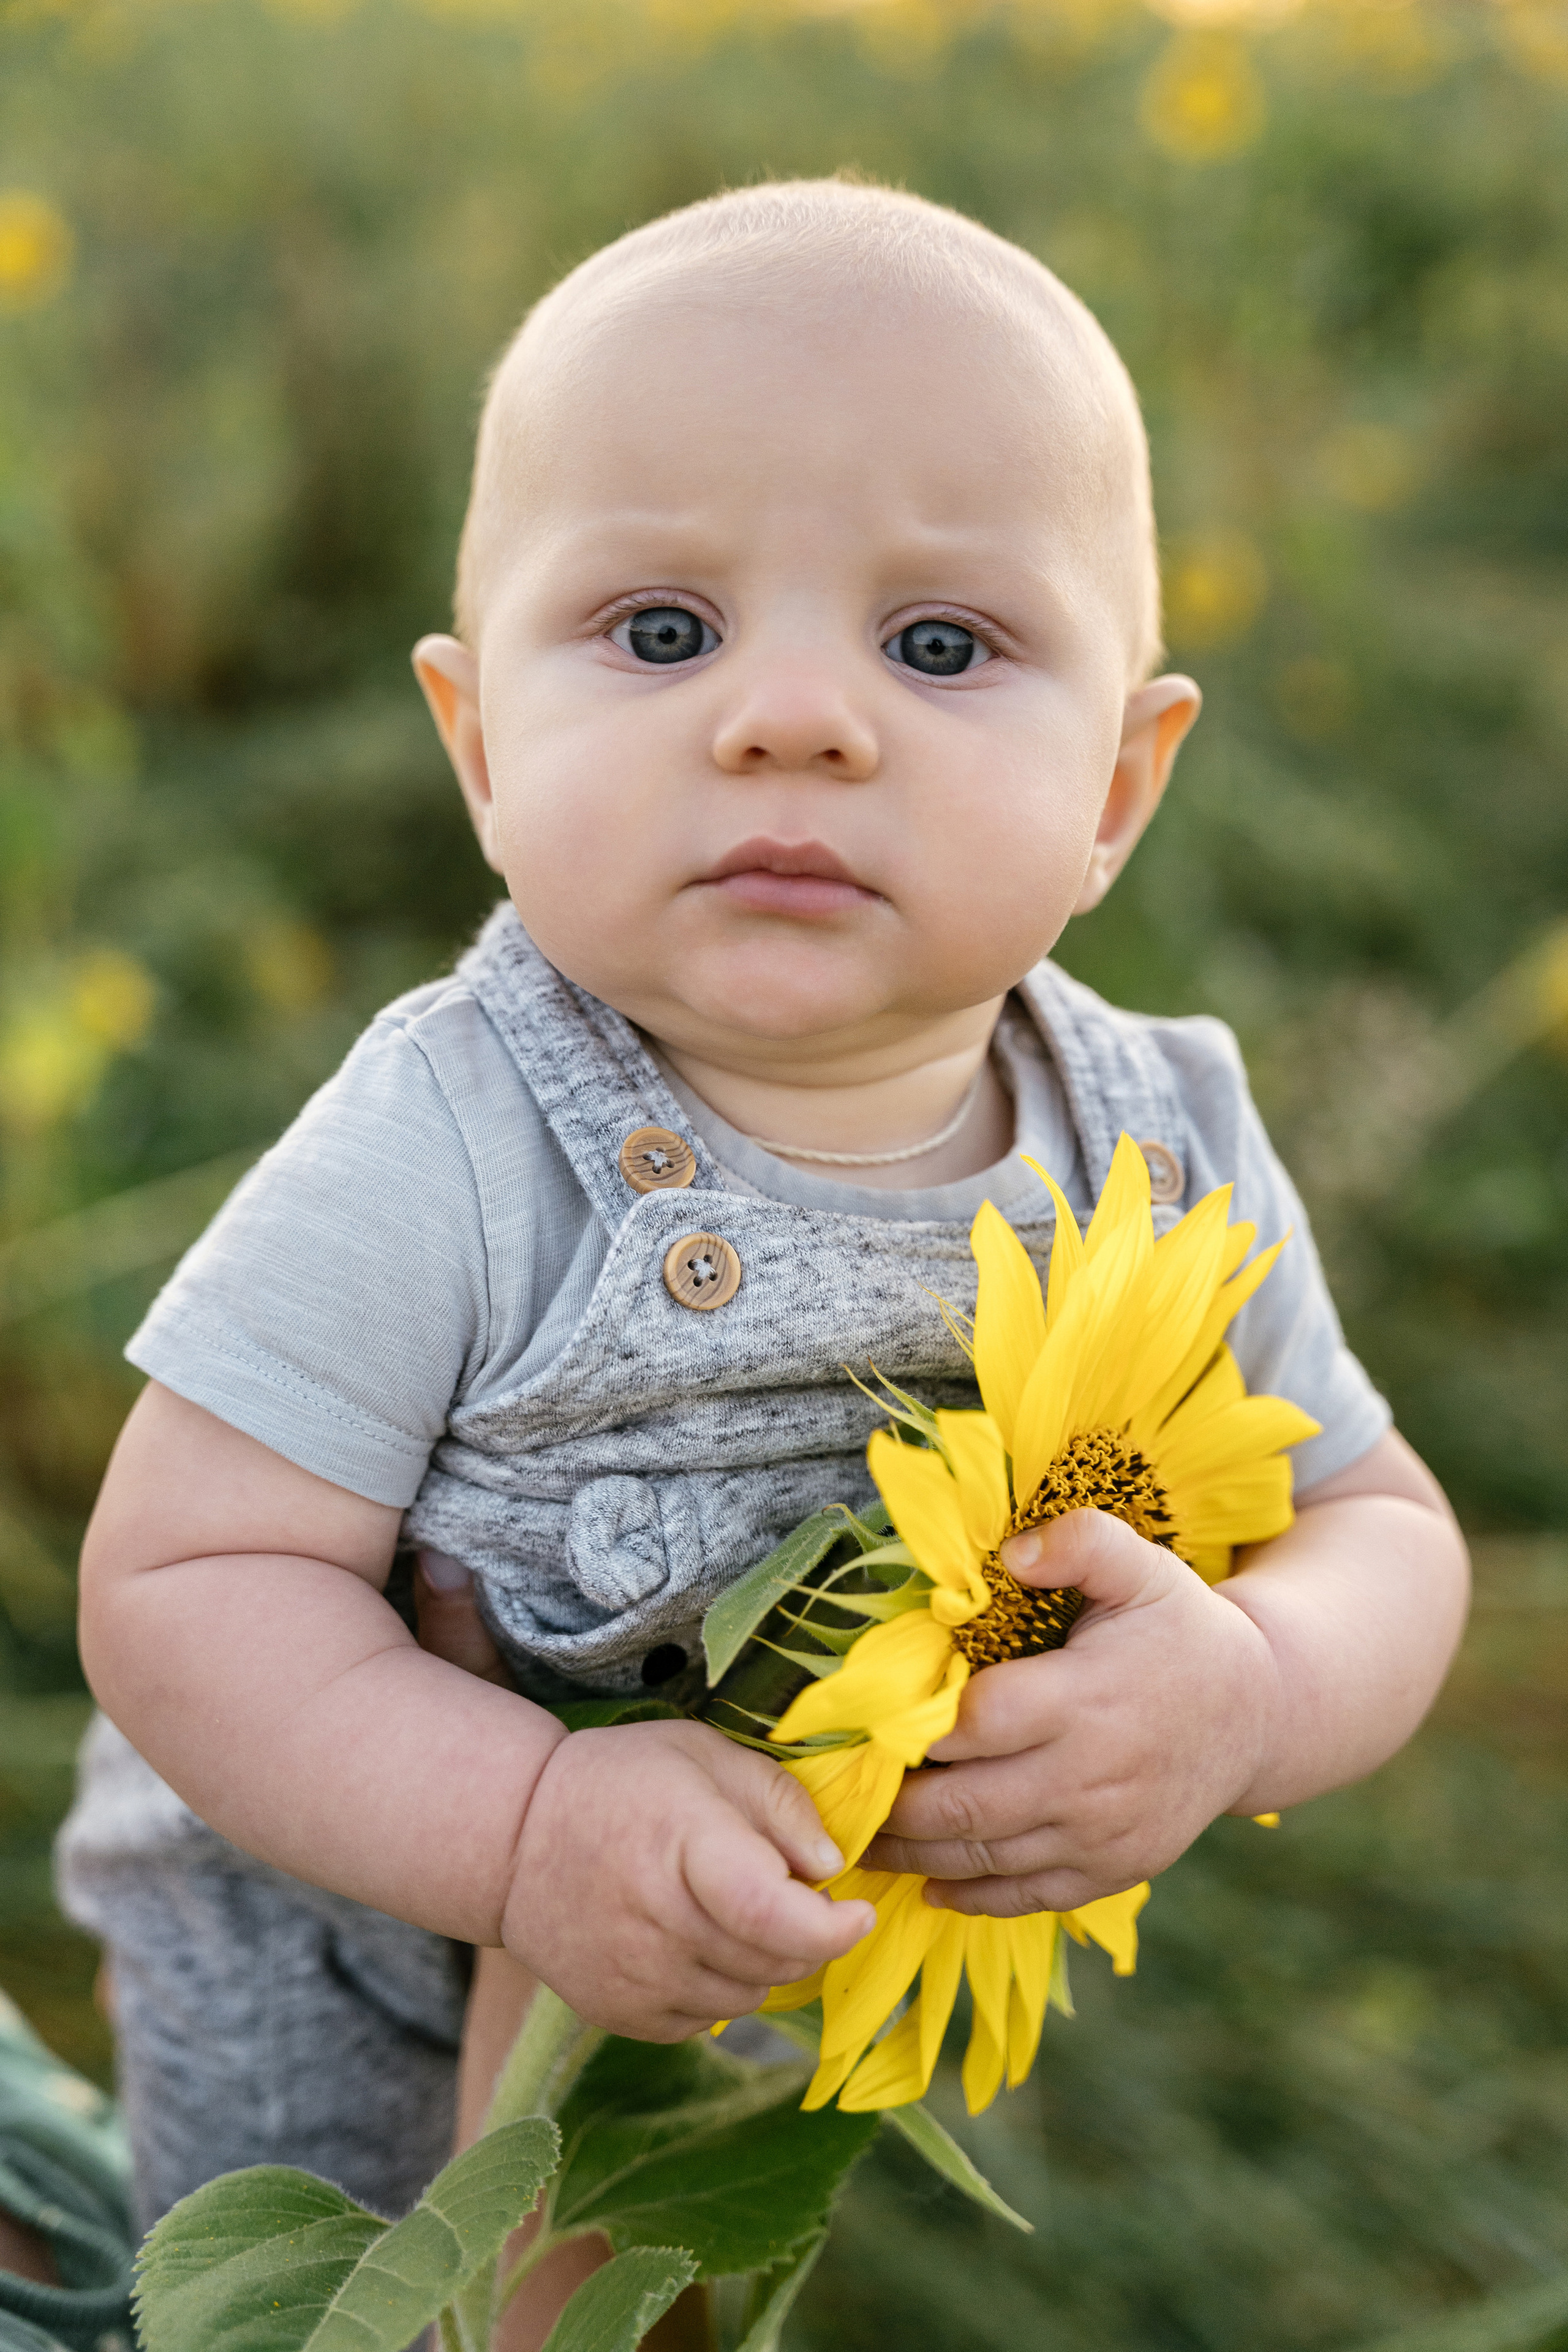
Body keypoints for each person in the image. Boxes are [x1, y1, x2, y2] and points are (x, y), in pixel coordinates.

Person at [59, 179, 1468, 2345]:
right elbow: (186, 1582)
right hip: (346, 1889)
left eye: (937, 646)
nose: (794, 720)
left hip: (794, 1926)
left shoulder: (1160, 1141)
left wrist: (1255, 1691)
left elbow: (1383, 1523)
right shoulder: (455, 1132)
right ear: (478, 746)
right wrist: (523, 1823)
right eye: (658, 631)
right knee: (347, 2298)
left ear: (1116, 789)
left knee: (627, 2286)